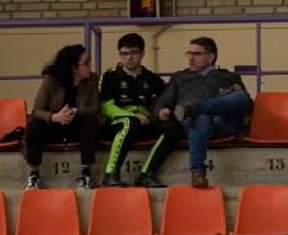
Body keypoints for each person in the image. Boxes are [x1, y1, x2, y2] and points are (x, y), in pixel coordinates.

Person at [140, 36, 251, 189]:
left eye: (197, 54)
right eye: (189, 53)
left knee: (240, 97)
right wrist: (163, 110)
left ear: (211, 57)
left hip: (222, 123)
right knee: (201, 117)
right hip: (195, 125)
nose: (191, 59)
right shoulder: (179, 77)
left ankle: (194, 108)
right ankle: (198, 171)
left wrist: (232, 95)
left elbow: (245, 105)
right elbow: (163, 102)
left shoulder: (229, 76)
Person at [24, 43, 99, 190]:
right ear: (74, 68)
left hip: (77, 124)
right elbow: (37, 110)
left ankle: (85, 173)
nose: (90, 66)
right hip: (55, 125)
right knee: (34, 125)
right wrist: (55, 117)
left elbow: (94, 108)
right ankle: (34, 174)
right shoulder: (51, 80)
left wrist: (75, 111)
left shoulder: (92, 80)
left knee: (90, 121)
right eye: (86, 63)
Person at [98, 32, 165, 187]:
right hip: (117, 121)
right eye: (124, 54)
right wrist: (132, 115)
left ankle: (146, 174)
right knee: (130, 122)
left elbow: (163, 101)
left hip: (145, 120)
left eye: (133, 53)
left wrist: (157, 114)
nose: (129, 58)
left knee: (172, 128)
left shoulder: (152, 78)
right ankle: (111, 174)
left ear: (142, 54)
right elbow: (106, 107)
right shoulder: (110, 76)